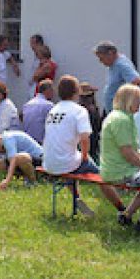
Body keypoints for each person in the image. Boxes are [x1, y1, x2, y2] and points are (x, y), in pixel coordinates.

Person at [99, 83, 140, 232]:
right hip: (120, 171)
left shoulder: (121, 116)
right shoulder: (122, 120)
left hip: (115, 168)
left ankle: (127, 214)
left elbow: (133, 148)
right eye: (138, 100)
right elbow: (127, 152)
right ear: (129, 100)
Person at [43, 74, 99, 217]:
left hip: (48, 162)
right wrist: (86, 157)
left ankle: (77, 199)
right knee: (101, 175)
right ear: (77, 91)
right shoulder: (79, 110)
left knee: (70, 161)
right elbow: (85, 139)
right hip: (65, 162)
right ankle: (121, 208)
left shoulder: (53, 110)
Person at [94, 40, 140, 115]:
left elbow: (136, 80)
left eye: (102, 58)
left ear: (110, 53)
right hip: (112, 109)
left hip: (119, 111)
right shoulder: (114, 64)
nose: (101, 61)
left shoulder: (121, 65)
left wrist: (125, 101)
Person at [21, 78, 54, 144]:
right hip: (41, 143)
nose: (54, 93)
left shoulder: (26, 105)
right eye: (52, 90)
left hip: (26, 141)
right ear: (47, 90)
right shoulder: (49, 106)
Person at [77, 82, 103, 161]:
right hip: (92, 143)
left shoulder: (78, 109)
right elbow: (98, 127)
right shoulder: (93, 109)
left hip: (79, 144)